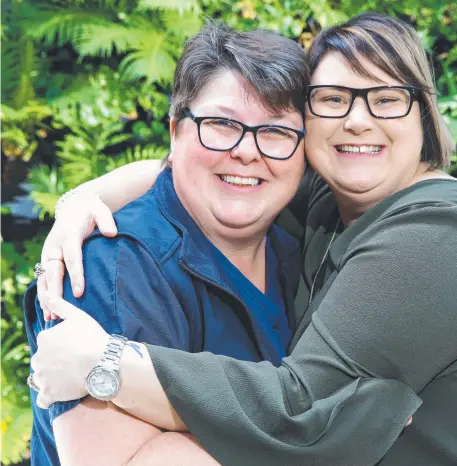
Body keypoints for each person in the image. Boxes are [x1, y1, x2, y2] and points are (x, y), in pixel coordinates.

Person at [29, 13, 457, 466]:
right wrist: (81, 200)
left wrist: (108, 366)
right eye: (333, 99)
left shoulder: (442, 233)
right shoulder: (320, 213)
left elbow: (301, 412)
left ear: (423, 114)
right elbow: (215, 167)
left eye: (385, 99)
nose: (358, 120)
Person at [23, 24, 310, 466]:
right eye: (221, 124)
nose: (247, 152)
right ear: (175, 132)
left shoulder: (307, 250)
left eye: (275, 131)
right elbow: (122, 460)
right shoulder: (109, 266)